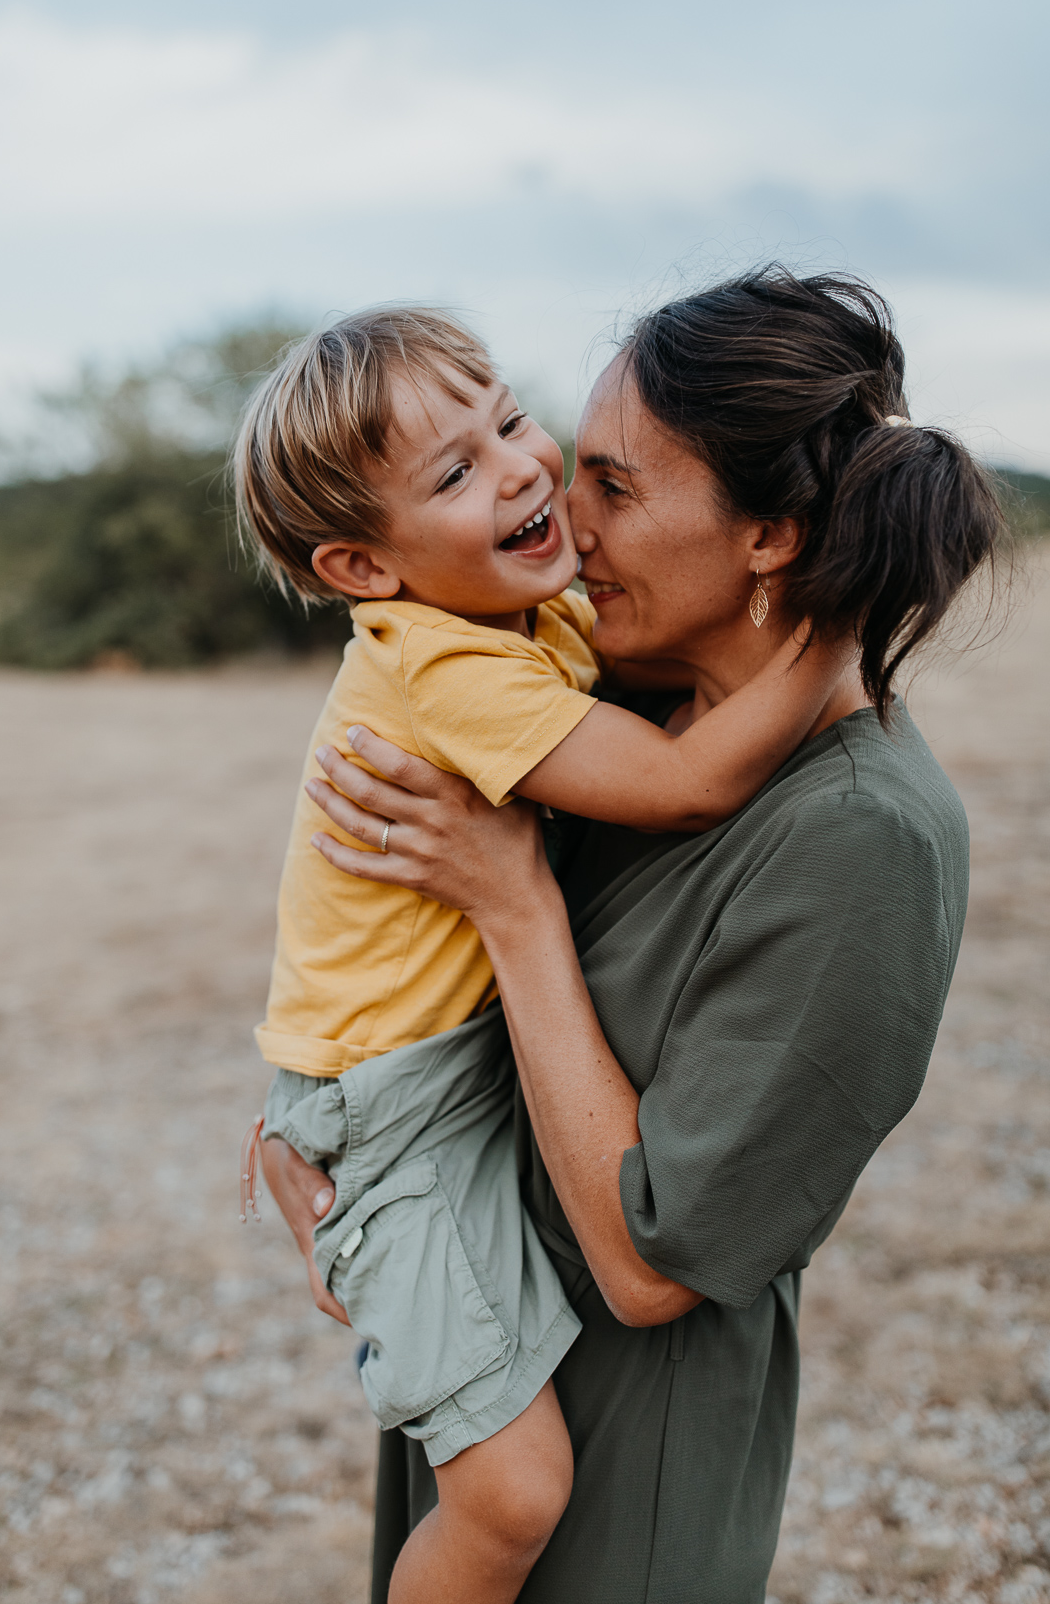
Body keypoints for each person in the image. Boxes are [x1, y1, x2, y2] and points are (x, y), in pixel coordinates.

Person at [267, 270, 1005, 1602]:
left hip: (624, 1464)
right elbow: (376, 944)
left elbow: (653, 1266)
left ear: (772, 535)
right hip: (483, 1352)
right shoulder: (601, 687)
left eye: (614, 486)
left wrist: (515, 904)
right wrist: (305, 1130)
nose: (561, 506)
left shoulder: (864, 832)